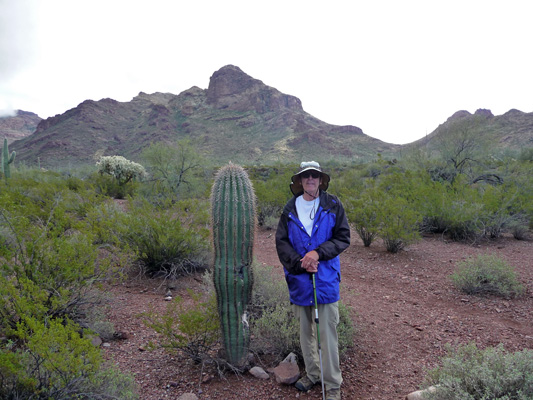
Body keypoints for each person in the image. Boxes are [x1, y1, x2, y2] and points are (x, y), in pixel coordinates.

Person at [275, 161, 350, 400]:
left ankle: (333, 385)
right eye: (306, 176)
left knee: (327, 334)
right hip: (300, 280)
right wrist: (300, 263)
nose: (310, 179)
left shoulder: (332, 205)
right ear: (299, 180)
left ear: (320, 180)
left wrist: (317, 253)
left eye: (314, 176)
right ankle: (314, 374)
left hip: (325, 279)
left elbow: (343, 237)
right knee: (305, 332)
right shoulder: (289, 209)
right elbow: (282, 243)